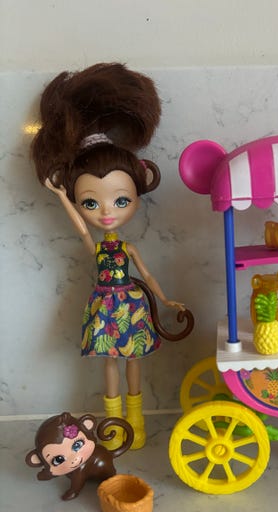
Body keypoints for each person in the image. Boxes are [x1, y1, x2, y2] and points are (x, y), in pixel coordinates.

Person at [31, 63, 193, 449]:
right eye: (90, 202)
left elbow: (147, 276)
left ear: (139, 191)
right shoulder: (100, 248)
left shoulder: (127, 248)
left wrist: (166, 299)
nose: (106, 212)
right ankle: (115, 425)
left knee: (134, 360)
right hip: (105, 306)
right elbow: (82, 230)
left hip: (131, 306)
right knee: (110, 362)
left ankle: (136, 423)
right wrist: (61, 196)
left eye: (121, 200)